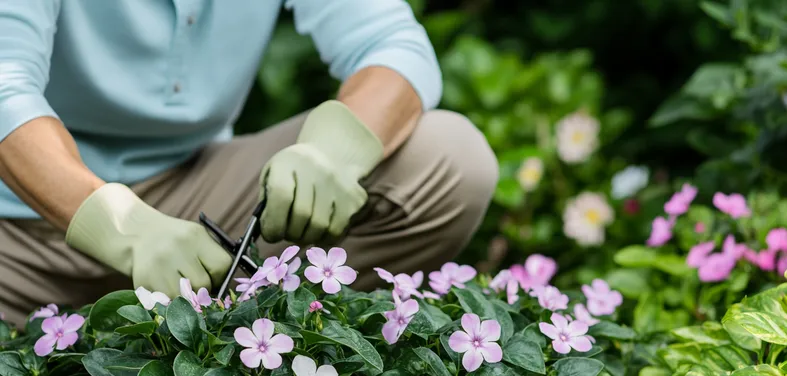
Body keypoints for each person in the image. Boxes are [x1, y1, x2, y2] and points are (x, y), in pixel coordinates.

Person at [0, 1, 498, 326]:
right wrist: (123, 228)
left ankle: (246, 353)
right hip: (15, 232)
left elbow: (392, 44)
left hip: (195, 199)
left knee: (449, 158)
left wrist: (334, 151)